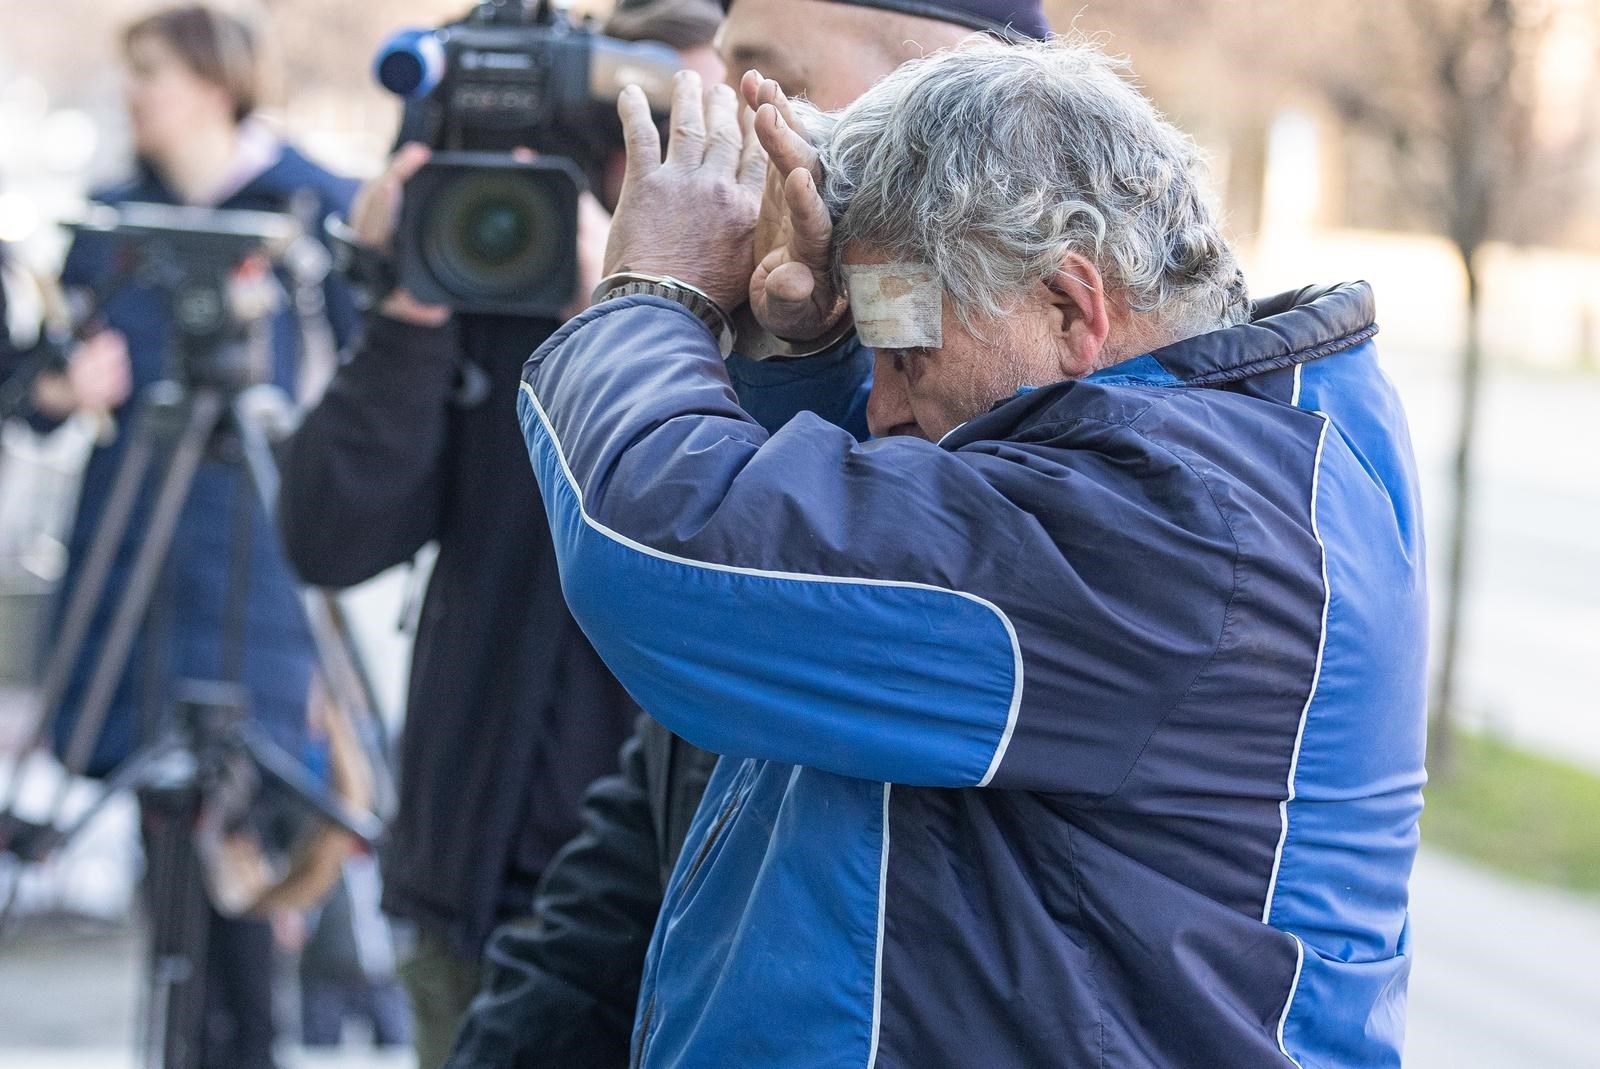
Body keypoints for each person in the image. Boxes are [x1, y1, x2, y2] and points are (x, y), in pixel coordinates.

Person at [514, 33, 1428, 1069]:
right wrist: (801, 353)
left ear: (1071, 307)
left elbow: (660, 550)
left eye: (903, 353)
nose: (884, 405)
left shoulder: (1169, 524)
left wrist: (655, 291)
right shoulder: (1212, 444)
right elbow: (860, 550)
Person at [439, 4, 1048, 1068]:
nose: (713, 121)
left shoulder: (1087, 472)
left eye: (760, 79)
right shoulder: (861, 366)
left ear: (948, 90)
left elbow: (661, 565)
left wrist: (649, 296)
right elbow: (666, 825)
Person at [276, 4, 724, 1067]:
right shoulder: (506, 217)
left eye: (693, 112)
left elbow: (724, 554)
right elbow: (331, 535)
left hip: (688, 899)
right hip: (474, 880)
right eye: (642, 112)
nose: (663, 148)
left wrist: (621, 324)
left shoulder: (789, 280)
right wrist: (410, 305)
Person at [20, 7, 357, 1069]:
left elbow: (371, 395)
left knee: (252, 822)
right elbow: (27, 381)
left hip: (257, 558)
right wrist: (60, 387)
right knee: (156, 805)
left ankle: (253, 1042)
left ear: (217, 81)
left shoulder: (315, 211)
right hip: (133, 554)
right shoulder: (112, 221)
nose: (134, 95)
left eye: (152, 74)